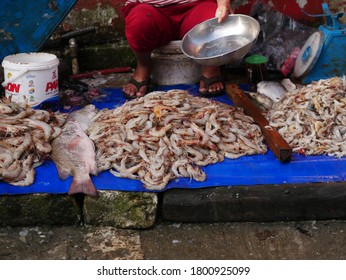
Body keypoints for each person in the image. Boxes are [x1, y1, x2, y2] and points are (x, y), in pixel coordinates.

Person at [122, 0, 234, 99]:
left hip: (196, 6)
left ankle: (212, 66)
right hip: (151, 9)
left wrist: (223, 3)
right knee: (140, 21)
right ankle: (143, 65)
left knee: (217, 19)